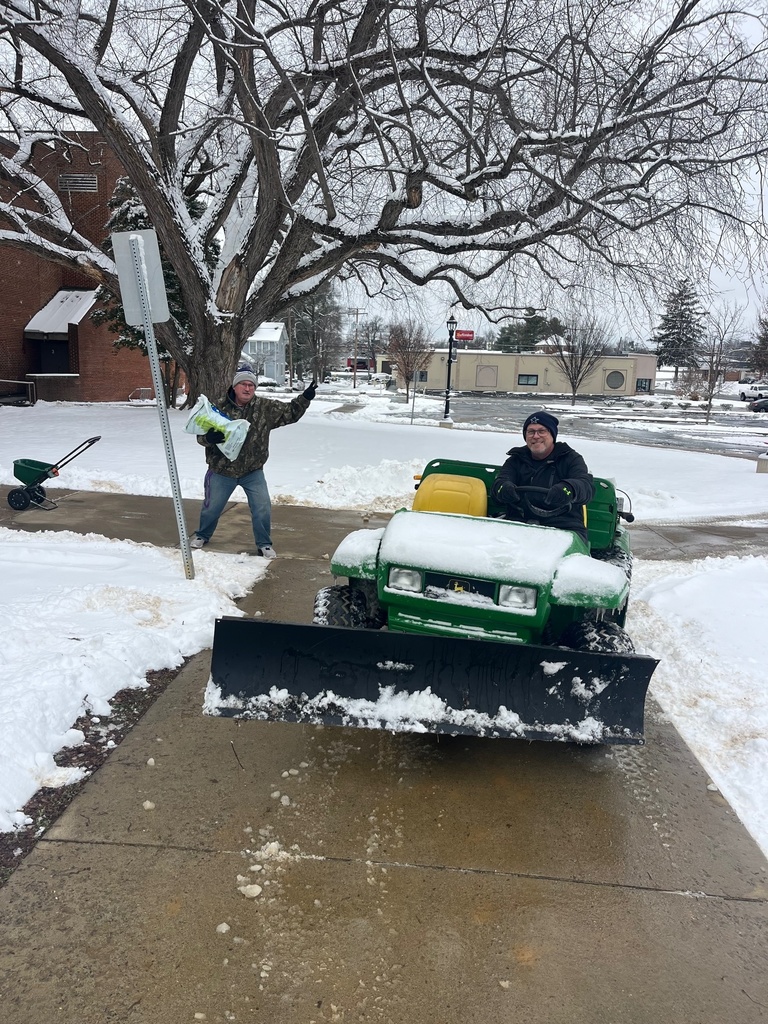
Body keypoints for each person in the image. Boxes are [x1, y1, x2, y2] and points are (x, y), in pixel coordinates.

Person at [190, 368, 317, 557]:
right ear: (235, 386)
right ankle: (202, 535)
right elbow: (200, 435)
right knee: (211, 508)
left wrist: (305, 398)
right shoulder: (217, 407)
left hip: (253, 471)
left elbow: (290, 412)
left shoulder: (264, 407)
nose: (248, 388)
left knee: (262, 507)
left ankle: (264, 544)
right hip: (221, 470)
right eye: (244, 384)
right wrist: (209, 438)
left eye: (251, 385)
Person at [490, 411, 594, 542]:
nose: (536, 436)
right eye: (531, 432)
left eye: (541, 431)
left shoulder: (571, 459)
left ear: (552, 434)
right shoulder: (515, 460)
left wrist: (569, 489)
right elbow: (500, 482)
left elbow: (585, 486)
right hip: (519, 522)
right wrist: (503, 488)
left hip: (563, 525)